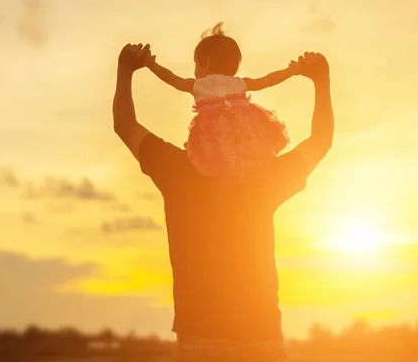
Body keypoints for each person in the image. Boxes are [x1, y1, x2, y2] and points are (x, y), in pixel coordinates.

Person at [112, 43, 333, 361]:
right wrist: (320, 80)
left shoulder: (178, 172)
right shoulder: (264, 178)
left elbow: (125, 125)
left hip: (200, 335)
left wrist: (125, 70)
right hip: (262, 335)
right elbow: (321, 139)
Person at [145, 22, 298, 181]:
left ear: (207, 63)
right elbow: (268, 80)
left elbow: (170, 78)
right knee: (248, 152)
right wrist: (290, 71)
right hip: (243, 129)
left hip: (213, 134)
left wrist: (151, 64)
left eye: (196, 63)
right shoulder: (240, 83)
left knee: (212, 157)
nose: (195, 69)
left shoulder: (198, 85)